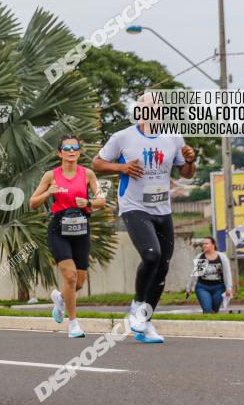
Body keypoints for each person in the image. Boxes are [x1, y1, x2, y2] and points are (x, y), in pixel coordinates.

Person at [92, 94, 196, 343]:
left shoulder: (173, 137)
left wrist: (192, 160)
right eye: (145, 108)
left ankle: (145, 322)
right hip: (134, 206)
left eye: (155, 107)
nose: (150, 111)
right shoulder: (123, 137)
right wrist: (121, 168)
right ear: (138, 111)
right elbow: (97, 163)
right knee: (151, 255)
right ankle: (137, 305)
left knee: (162, 267)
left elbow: (187, 174)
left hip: (163, 209)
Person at [29, 135, 106, 338]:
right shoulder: (50, 176)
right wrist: (48, 193)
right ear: (59, 153)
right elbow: (33, 202)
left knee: (79, 282)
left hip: (81, 229)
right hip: (59, 230)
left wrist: (88, 203)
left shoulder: (87, 174)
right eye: (67, 148)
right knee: (70, 277)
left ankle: (60, 299)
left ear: (79, 152)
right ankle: (73, 324)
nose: (71, 151)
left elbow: (102, 200)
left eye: (75, 148)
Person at [185, 236, 233, 313]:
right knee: (207, 310)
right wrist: (189, 288)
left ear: (213, 245)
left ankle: (213, 324)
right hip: (203, 287)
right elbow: (195, 275)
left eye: (206, 243)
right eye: (203, 244)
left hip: (219, 287)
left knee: (214, 310)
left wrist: (228, 288)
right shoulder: (201, 257)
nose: (204, 245)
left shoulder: (221, 257)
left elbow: (227, 274)